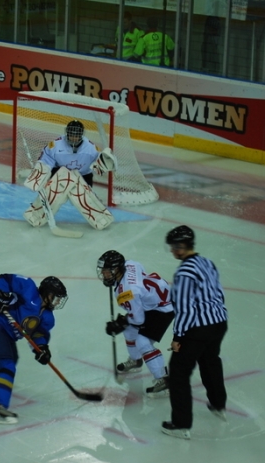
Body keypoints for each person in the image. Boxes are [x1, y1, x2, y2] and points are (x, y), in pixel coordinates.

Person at [161, 225, 228, 439]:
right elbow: (219, 293)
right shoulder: (207, 263)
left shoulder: (184, 272)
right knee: (210, 361)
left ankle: (181, 424)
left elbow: (185, 308)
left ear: (181, 246)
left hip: (198, 328)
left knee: (179, 372)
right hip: (219, 323)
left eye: (173, 247)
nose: (172, 250)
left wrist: (178, 337)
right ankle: (218, 405)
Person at [0, 274, 68, 424]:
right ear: (48, 293)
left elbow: (38, 334)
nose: (58, 301)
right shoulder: (28, 288)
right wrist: (1, 297)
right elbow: (4, 279)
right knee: (7, 364)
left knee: (12, 359)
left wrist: (41, 348)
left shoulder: (47, 317)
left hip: (7, 335)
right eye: (56, 297)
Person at [97, 250, 175, 396]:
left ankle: (164, 379)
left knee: (142, 342)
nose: (103, 274)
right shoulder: (129, 264)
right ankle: (136, 360)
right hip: (155, 301)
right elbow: (140, 272)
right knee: (129, 331)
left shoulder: (126, 292)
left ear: (116, 270)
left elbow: (138, 319)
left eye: (107, 271)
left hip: (163, 309)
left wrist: (121, 322)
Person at [23, 120, 117, 230]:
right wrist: (39, 175)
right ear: (67, 133)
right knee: (52, 195)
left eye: (76, 136)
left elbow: (99, 165)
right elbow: (46, 159)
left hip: (83, 176)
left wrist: (106, 162)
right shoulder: (55, 145)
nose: (73, 138)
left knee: (84, 197)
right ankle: (35, 215)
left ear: (81, 135)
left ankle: (101, 219)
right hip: (59, 173)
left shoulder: (90, 149)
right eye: (71, 135)